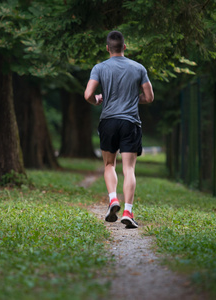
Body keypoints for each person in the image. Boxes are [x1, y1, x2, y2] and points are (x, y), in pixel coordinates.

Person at [84, 31, 154, 229]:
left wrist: (97, 99)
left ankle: (113, 199)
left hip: (108, 122)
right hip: (130, 122)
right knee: (129, 168)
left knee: (109, 165)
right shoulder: (139, 68)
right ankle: (128, 211)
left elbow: (88, 94)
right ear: (124, 47)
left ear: (107, 48)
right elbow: (149, 97)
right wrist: (134, 98)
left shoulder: (99, 68)